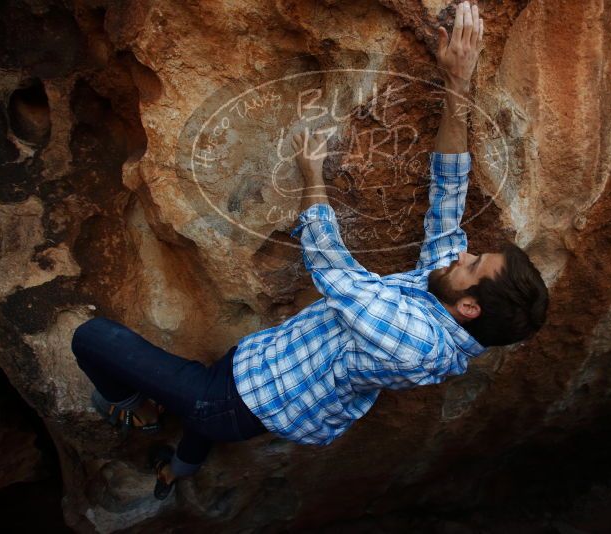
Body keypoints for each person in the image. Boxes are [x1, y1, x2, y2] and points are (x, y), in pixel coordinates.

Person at [70, 0, 548, 500]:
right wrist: (458, 82)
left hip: (238, 399)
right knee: (200, 429)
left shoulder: (420, 345)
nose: (461, 255)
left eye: (470, 264)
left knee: (94, 337)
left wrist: (312, 176)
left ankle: (134, 409)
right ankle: (175, 473)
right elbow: (450, 188)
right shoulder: (446, 297)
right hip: (269, 387)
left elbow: (336, 275)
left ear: (469, 306)